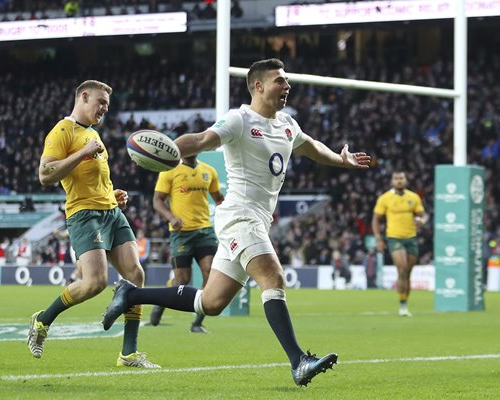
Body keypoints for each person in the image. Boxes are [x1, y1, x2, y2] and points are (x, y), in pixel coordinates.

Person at [101, 58, 370, 386]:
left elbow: (312, 148)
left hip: (255, 220)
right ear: (258, 86)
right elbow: (200, 140)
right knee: (273, 277)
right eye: (280, 81)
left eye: (286, 81)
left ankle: (130, 295)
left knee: (210, 303)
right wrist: (170, 149)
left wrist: (341, 160)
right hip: (239, 216)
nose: (287, 87)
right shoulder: (239, 119)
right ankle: (299, 361)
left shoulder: (287, 124)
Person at [27, 80, 156, 368]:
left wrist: (114, 194)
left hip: (111, 212)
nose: (104, 109)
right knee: (95, 282)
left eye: (107, 106)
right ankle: (42, 320)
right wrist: (82, 153)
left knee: (136, 274)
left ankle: (129, 353)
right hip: (84, 214)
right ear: (84, 97)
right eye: (100, 103)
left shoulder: (94, 134)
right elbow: (45, 175)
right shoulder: (62, 131)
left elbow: (96, 181)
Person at [149, 154, 225, 333]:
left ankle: (197, 322)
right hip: (181, 234)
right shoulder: (169, 171)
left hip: (205, 231)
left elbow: (219, 198)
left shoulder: (209, 171)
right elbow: (157, 200)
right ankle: (162, 301)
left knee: (210, 274)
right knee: (181, 281)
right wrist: (171, 217)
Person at [371, 171, 427, 317]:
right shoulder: (385, 198)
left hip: (411, 238)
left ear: (406, 180)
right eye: (396, 178)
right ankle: (402, 306)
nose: (399, 181)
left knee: (407, 273)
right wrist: (378, 239)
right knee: (401, 268)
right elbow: (376, 219)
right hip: (394, 238)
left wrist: (422, 221)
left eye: (401, 178)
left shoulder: (413, 197)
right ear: (392, 181)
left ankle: (404, 303)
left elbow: (423, 216)